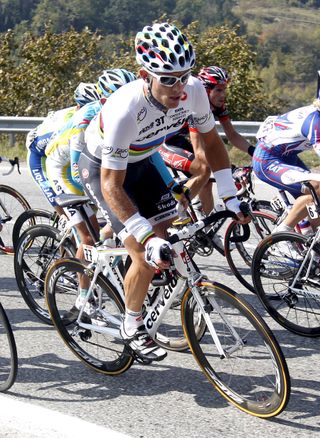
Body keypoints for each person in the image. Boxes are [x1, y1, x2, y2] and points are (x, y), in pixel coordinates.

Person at [79, 22, 248, 363]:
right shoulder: (125, 109)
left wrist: (230, 194)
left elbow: (213, 143)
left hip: (144, 159)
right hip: (103, 168)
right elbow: (112, 184)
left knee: (168, 234)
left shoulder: (195, 90)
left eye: (183, 76)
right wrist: (143, 234)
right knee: (143, 250)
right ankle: (132, 325)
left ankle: (149, 284)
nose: (178, 87)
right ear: (145, 75)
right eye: (167, 79)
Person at [45, 69, 137, 315]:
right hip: (64, 169)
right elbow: (78, 174)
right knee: (89, 237)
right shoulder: (86, 119)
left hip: (93, 167)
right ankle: (83, 298)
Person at [160, 66, 255, 217]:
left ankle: (205, 224)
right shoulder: (195, 106)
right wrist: (231, 170)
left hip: (179, 139)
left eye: (224, 90)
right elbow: (199, 151)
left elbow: (232, 134)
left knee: (207, 181)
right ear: (205, 89)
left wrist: (255, 153)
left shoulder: (217, 105)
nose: (223, 95)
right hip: (163, 143)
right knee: (203, 170)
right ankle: (176, 214)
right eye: (218, 90)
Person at [26, 82, 101, 217]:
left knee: (89, 208)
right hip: (40, 156)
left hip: (64, 157)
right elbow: (52, 154)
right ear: (79, 106)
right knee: (60, 202)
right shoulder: (68, 123)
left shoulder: (87, 114)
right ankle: (64, 224)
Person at [252, 97, 320, 236]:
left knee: (315, 207)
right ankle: (281, 234)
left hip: (288, 158)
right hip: (267, 161)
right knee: (316, 188)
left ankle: (312, 245)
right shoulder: (315, 121)